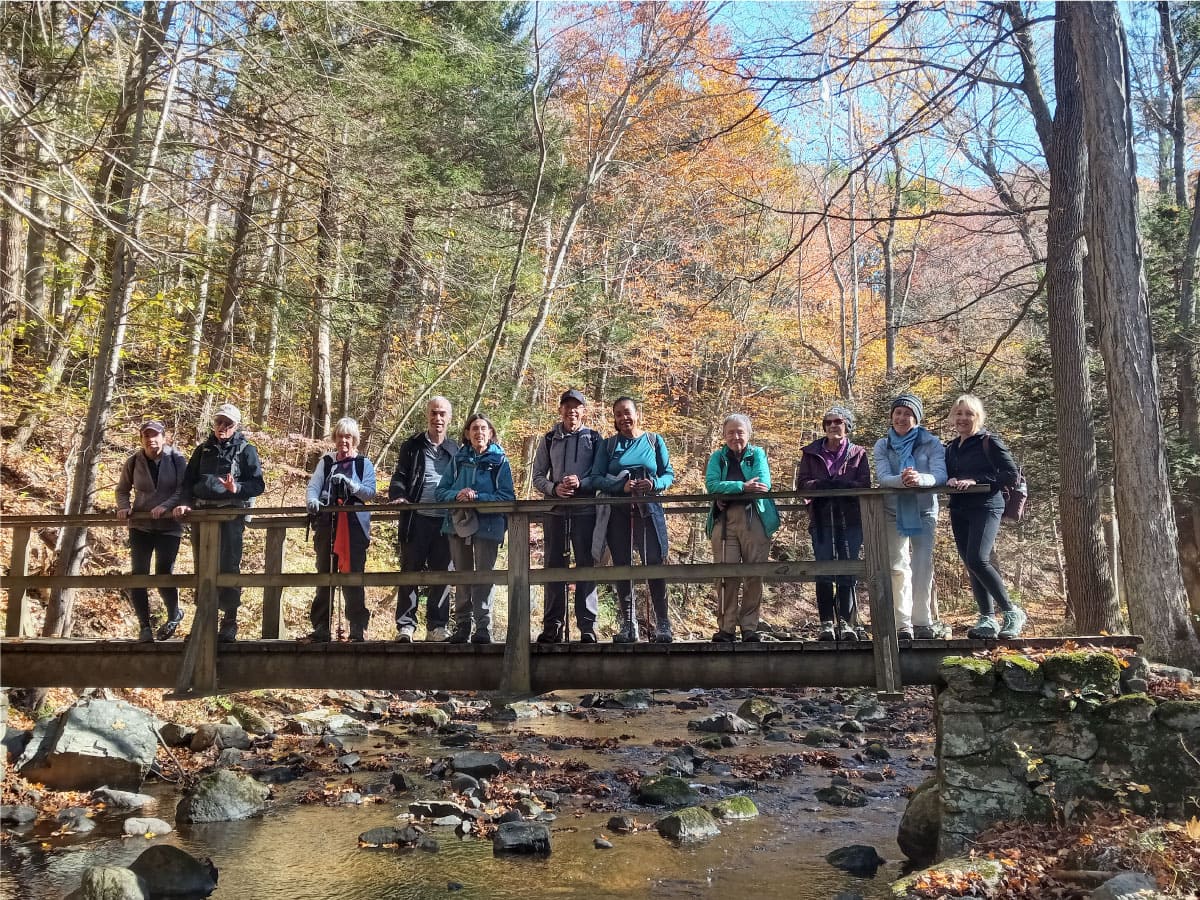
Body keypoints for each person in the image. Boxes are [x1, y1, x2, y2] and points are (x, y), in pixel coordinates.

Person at [173, 403, 265, 642]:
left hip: (230, 517)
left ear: (236, 426)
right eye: (219, 422)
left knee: (229, 567)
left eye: (228, 423)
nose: (222, 427)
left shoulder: (246, 450)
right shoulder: (203, 450)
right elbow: (187, 482)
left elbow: (257, 485)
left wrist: (238, 488)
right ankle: (203, 619)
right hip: (202, 516)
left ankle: (229, 621)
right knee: (202, 567)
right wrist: (185, 503)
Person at [592, 397, 675, 643]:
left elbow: (668, 474)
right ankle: (628, 623)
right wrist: (621, 486)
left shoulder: (654, 440)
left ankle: (663, 623)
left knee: (654, 562)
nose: (623, 418)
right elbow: (596, 477)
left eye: (627, 413)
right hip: (618, 510)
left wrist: (654, 484)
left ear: (637, 414)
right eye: (618, 414)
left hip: (648, 508)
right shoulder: (608, 446)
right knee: (622, 564)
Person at [945, 394, 1026, 639]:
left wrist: (977, 481)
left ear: (977, 417)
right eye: (959, 414)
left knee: (978, 559)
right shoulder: (951, 447)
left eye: (968, 414)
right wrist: (948, 480)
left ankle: (1012, 612)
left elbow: (1011, 474)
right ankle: (987, 619)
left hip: (986, 506)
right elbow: (948, 473)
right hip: (959, 508)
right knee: (972, 564)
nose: (963, 418)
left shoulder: (989, 441)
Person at [873, 393, 948, 641]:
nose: (901, 417)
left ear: (916, 418)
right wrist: (904, 481)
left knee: (922, 565)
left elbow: (939, 475)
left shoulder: (932, 443)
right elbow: (883, 477)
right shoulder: (883, 445)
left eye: (907, 413)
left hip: (925, 510)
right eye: (898, 413)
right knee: (897, 567)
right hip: (892, 510)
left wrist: (920, 480)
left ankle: (922, 621)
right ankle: (902, 624)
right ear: (892, 416)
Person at [436, 413, 516, 644]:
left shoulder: (500, 460)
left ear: (490, 433)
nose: (479, 433)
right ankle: (462, 625)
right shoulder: (458, 459)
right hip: (457, 524)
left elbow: (506, 496)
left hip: (488, 526)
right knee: (462, 575)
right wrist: (458, 495)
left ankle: (483, 627)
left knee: (484, 576)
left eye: (483, 428)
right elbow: (441, 492)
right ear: (467, 434)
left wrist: (478, 497)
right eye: (474, 429)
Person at [531, 389, 602, 643]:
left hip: (585, 511)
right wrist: (554, 488)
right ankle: (553, 626)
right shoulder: (549, 438)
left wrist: (581, 482)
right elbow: (538, 475)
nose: (572, 411)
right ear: (560, 410)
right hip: (555, 512)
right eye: (567, 406)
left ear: (584, 411)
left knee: (586, 565)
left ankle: (587, 626)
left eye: (577, 407)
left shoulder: (594, 439)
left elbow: (600, 475)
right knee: (553, 567)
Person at [795, 405, 871, 641]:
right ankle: (826, 623)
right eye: (828, 423)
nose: (832, 426)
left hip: (850, 518)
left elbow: (864, 484)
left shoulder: (858, 452)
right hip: (821, 517)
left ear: (847, 425)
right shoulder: (810, 453)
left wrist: (843, 487)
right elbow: (802, 485)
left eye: (837, 422)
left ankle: (847, 623)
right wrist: (820, 486)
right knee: (824, 569)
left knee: (848, 569)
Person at [387, 397, 458, 642]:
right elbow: (400, 475)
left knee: (443, 573)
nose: (437, 418)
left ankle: (437, 627)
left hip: (445, 521)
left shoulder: (455, 450)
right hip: (416, 518)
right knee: (410, 570)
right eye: (434, 413)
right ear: (427, 415)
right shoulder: (413, 446)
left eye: (442, 414)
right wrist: (398, 495)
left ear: (449, 418)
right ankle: (406, 625)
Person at [705, 414, 779, 642]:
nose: (735, 436)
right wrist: (741, 486)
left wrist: (727, 491)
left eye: (740, 432)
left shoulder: (757, 454)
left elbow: (764, 484)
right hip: (724, 521)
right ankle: (726, 627)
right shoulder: (718, 457)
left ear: (748, 433)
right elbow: (711, 484)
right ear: (724, 435)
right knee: (725, 574)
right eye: (730, 432)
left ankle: (749, 627)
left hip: (754, 518)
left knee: (753, 573)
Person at [304, 418, 376, 642]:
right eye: (340, 436)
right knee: (324, 572)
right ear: (335, 438)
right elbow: (314, 487)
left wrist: (351, 485)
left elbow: (370, 492)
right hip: (328, 522)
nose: (344, 441)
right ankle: (321, 626)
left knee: (353, 573)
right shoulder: (326, 462)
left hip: (354, 525)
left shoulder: (364, 464)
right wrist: (313, 501)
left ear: (354, 440)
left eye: (348, 437)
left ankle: (357, 626)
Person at [116, 421, 188, 642]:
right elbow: (122, 490)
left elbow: (184, 489)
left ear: (164, 437)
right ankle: (144, 627)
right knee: (139, 574)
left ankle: (174, 613)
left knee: (163, 572)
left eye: (155, 435)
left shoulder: (176, 459)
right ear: (141, 439)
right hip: (141, 526)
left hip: (169, 526)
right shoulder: (134, 461)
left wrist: (166, 506)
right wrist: (123, 507)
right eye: (146, 436)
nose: (151, 440)